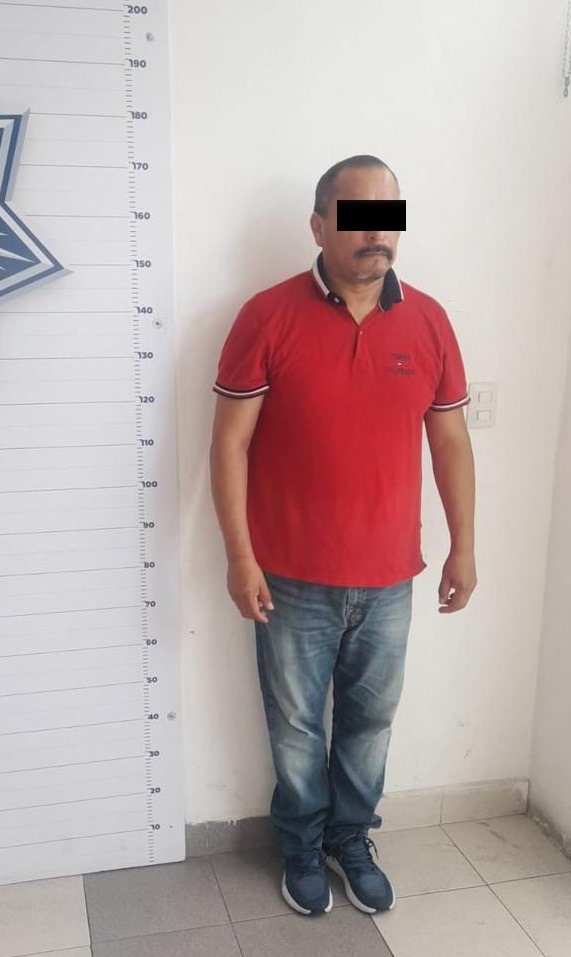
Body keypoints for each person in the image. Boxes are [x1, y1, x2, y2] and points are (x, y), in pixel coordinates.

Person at [209, 155, 476, 917]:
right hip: (288, 578)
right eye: (357, 217)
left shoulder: (428, 320)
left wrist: (463, 545)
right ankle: (299, 844)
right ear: (318, 225)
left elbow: (450, 441)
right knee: (295, 728)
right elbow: (228, 443)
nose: (374, 235)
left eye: (387, 218)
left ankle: (350, 838)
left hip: (390, 577)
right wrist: (238, 556)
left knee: (368, 725)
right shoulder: (266, 315)